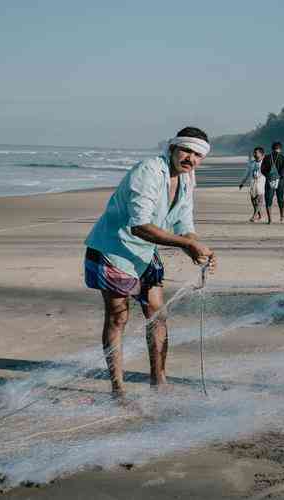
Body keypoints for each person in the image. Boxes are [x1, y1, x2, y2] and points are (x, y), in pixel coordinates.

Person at [84, 126, 217, 398]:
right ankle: (118, 388)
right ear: (172, 149)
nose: (190, 159)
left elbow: (183, 221)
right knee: (118, 318)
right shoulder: (149, 171)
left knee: (158, 314)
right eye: (186, 151)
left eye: (197, 155)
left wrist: (197, 247)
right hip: (114, 249)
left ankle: (159, 381)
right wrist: (186, 244)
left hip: (145, 252)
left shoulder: (188, 178)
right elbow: (139, 225)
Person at [260, 141, 284, 224]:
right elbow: (283, 172)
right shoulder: (283, 158)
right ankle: (282, 216)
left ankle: (270, 220)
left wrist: (268, 176)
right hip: (280, 181)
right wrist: (278, 176)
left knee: (268, 199)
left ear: (272, 148)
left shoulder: (267, 157)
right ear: (280, 148)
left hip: (269, 180)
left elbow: (262, 170)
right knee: (280, 198)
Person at [239, 147, 266, 222]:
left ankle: (254, 215)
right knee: (254, 201)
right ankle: (260, 215)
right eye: (254, 153)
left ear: (261, 154)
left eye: (256, 153)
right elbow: (246, 174)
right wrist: (242, 183)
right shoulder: (251, 163)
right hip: (253, 184)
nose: (254, 154)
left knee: (260, 200)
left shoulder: (265, 163)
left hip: (262, 184)